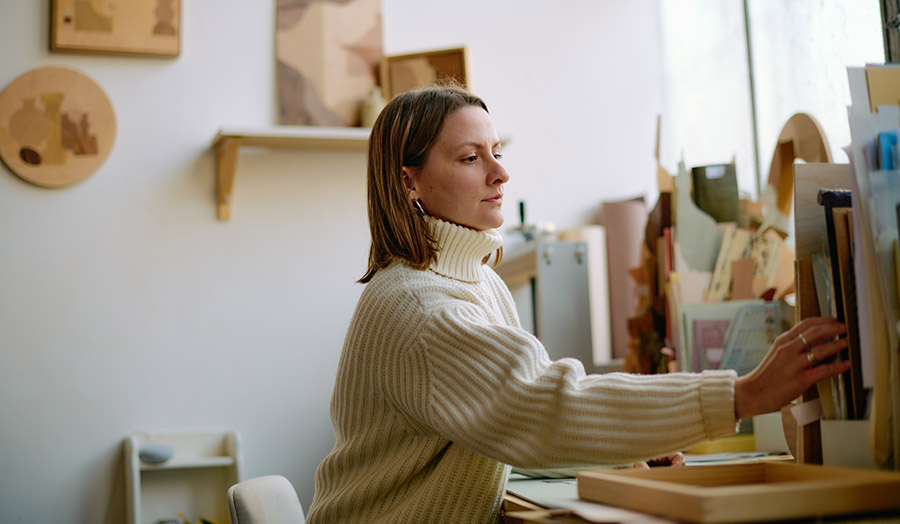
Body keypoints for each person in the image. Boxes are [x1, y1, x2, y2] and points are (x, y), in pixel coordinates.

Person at [306, 83, 850, 524]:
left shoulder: (477, 281)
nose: (500, 173)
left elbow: (508, 429)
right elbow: (544, 409)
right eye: (471, 157)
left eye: (497, 153)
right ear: (409, 182)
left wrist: (621, 448)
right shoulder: (420, 308)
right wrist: (743, 393)